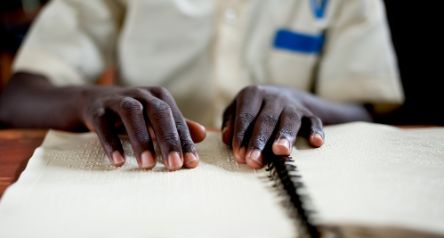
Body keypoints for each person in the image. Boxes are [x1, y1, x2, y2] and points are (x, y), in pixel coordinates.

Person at [0, 0, 403, 171]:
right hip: (144, 180)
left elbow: (362, 108)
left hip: (283, 176)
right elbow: (19, 98)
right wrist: (90, 97)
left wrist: (295, 101)